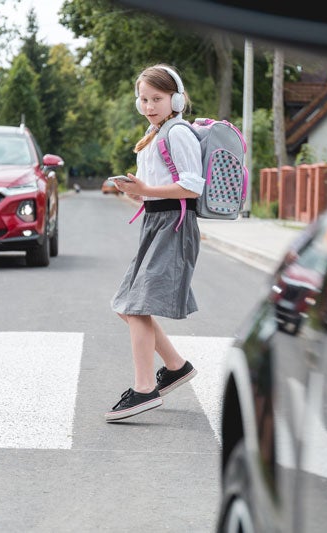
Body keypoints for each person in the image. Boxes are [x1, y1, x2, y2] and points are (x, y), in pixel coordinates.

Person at [105, 64, 203, 422]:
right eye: (143, 99)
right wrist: (138, 193)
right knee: (126, 304)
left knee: (134, 306)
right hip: (155, 222)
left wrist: (146, 191)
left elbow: (193, 186)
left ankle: (145, 390)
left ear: (175, 100)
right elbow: (157, 189)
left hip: (174, 226)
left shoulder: (178, 133)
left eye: (156, 99)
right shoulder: (155, 133)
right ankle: (175, 367)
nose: (148, 105)